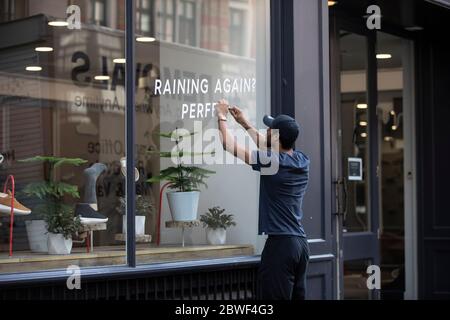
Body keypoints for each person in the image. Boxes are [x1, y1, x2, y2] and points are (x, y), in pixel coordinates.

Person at [215, 99, 310, 300]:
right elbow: (268, 145)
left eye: (269, 129)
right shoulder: (301, 160)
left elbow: (228, 144)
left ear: (275, 137)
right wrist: (244, 123)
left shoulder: (272, 162)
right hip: (301, 246)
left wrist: (221, 115)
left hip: (281, 247)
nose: (266, 131)